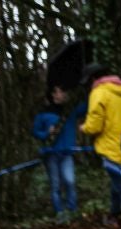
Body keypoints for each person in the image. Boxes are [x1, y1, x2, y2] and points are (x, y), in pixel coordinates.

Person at [81, 65, 121, 229]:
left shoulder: (98, 93)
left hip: (111, 149)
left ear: (93, 79)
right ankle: (114, 214)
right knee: (118, 184)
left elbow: (94, 126)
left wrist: (84, 127)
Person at [33, 85, 82, 220]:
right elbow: (35, 132)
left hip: (67, 153)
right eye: (59, 92)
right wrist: (46, 133)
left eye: (63, 91)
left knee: (70, 181)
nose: (62, 94)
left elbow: (87, 107)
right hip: (51, 154)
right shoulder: (43, 114)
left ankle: (72, 211)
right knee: (56, 185)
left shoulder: (71, 111)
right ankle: (60, 213)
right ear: (53, 95)